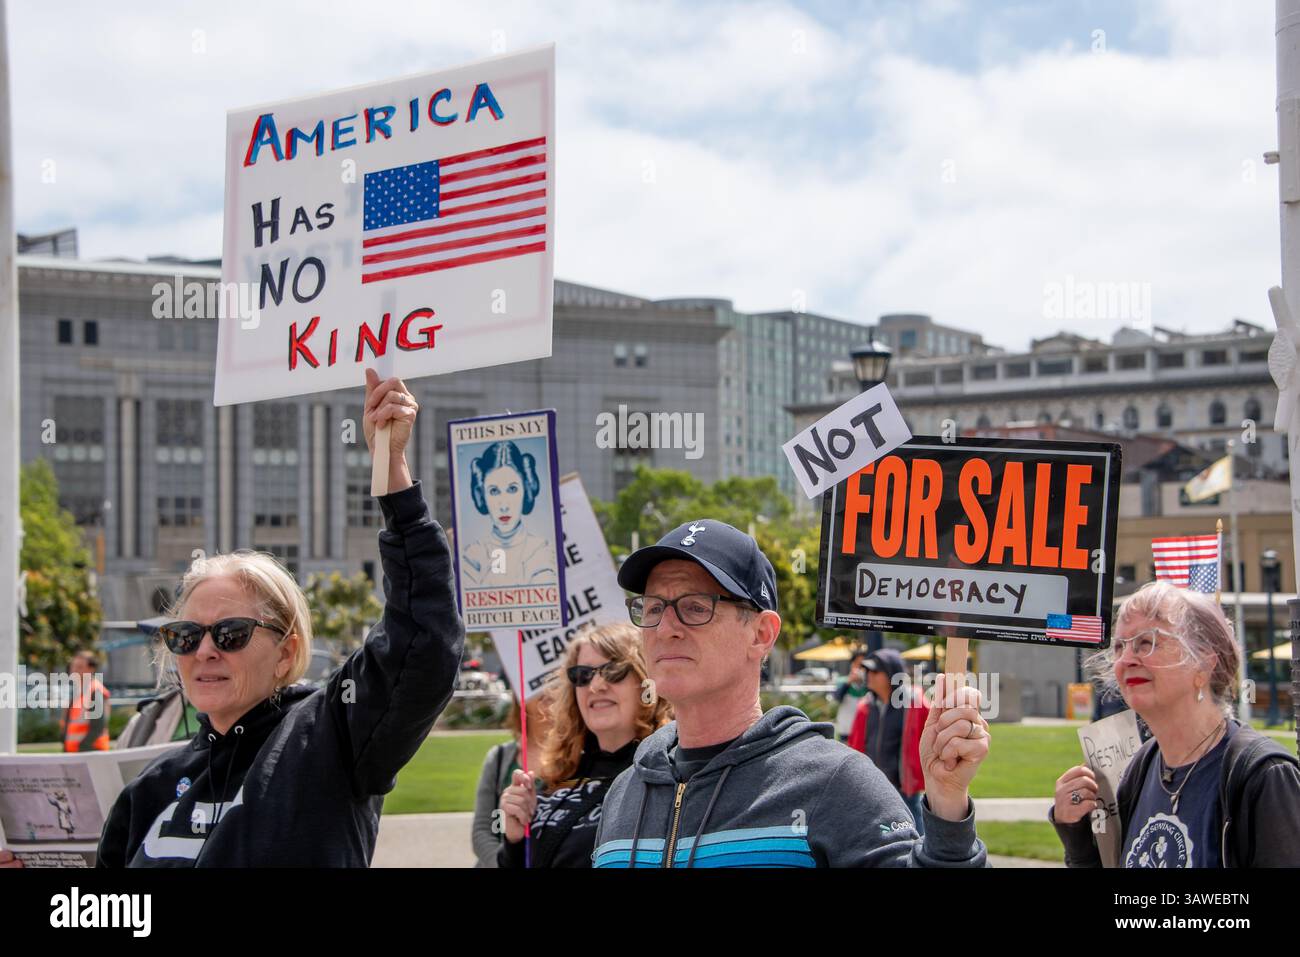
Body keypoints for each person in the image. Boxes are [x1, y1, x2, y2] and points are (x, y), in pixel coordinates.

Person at [3, 370, 464, 868]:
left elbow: (423, 642)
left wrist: (391, 473)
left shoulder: (329, 736)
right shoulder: (149, 791)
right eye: (185, 635)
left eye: (231, 634)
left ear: (286, 653)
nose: (205, 651)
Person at [593, 519, 990, 868]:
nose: (665, 628)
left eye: (695, 608)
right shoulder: (624, 794)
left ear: (762, 634)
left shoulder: (834, 782)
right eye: (652, 608)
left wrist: (947, 806)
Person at [1051, 581, 1300, 867]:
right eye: (1119, 647)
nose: (1127, 660)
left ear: (1205, 664)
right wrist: (1076, 834)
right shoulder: (1142, 766)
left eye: (1147, 642)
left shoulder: (1264, 774)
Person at [498, 623, 672, 868]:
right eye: (582, 675)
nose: (596, 685)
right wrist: (515, 840)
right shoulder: (558, 777)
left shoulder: (670, 775)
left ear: (645, 681)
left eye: (613, 671)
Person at [846, 648, 930, 835]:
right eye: (867, 670)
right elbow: (856, 744)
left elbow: (932, 735)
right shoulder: (866, 705)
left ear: (893, 674)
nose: (869, 675)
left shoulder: (914, 703)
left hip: (903, 786)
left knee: (916, 831)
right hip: (871, 785)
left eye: (875, 671)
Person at [471, 685, 555, 867]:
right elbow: (481, 832)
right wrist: (507, 864)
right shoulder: (499, 758)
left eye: (557, 682)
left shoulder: (582, 760)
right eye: (539, 683)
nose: (547, 688)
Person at [460, 440, 557, 587]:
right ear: (482, 494)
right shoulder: (472, 556)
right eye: (494, 491)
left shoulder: (542, 551)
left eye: (512, 489)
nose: (504, 505)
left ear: (526, 489)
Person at [62, 650, 110, 752]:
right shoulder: (79, 691)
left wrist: (83, 747)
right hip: (77, 753)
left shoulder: (95, 690)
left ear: (91, 669)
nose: (74, 670)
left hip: (91, 753)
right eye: (73, 666)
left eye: (79, 667)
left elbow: (98, 726)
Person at [831, 652, 867, 742]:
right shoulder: (842, 681)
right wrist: (848, 683)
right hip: (845, 730)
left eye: (862, 666)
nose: (859, 668)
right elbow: (837, 698)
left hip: (863, 731)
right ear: (852, 664)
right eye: (857, 664)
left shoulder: (869, 685)